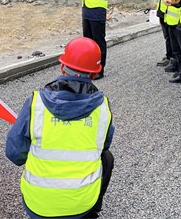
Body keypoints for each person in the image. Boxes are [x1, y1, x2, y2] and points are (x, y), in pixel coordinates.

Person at [6, 37, 115, 219]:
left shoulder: (36, 102)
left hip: (37, 205)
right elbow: (103, 145)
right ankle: (92, 212)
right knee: (107, 158)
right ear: (94, 75)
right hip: (81, 205)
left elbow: (14, 153)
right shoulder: (103, 107)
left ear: (62, 67)